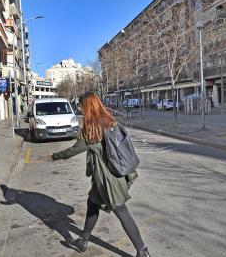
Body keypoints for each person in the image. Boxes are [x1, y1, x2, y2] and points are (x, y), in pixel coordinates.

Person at [49, 92, 151, 257]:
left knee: (122, 212)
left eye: (82, 106)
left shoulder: (91, 128)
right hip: (114, 175)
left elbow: (74, 150)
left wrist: (55, 156)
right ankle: (83, 241)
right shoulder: (110, 121)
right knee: (92, 203)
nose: (80, 109)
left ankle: (142, 251)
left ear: (87, 107)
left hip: (108, 180)